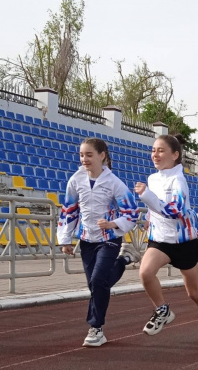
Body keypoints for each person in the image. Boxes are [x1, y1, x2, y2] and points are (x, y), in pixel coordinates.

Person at [134, 134, 198, 344]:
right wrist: (147, 218)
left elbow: (175, 211)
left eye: (160, 150)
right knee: (145, 273)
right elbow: (155, 208)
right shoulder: (153, 179)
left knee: (193, 293)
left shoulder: (178, 180)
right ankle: (162, 310)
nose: (155, 154)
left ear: (175, 155)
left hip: (183, 242)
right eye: (153, 150)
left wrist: (146, 196)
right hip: (161, 240)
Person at [58, 138, 142, 347]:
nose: (84, 159)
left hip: (110, 239)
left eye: (89, 155)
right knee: (96, 285)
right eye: (81, 155)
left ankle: (96, 328)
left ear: (102, 155)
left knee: (97, 282)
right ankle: (124, 260)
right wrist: (65, 239)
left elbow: (131, 214)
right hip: (86, 239)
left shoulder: (115, 183)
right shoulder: (76, 180)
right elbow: (69, 210)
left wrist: (113, 223)